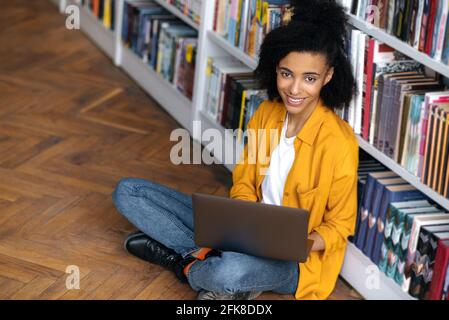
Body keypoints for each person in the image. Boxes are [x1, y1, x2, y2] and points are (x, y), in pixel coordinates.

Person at [112, 0, 359, 300]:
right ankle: (212, 262)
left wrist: (299, 244)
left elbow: (340, 224)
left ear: (328, 76)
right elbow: (243, 182)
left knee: (227, 272)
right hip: (245, 233)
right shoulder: (267, 115)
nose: (295, 89)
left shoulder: (339, 143)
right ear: (275, 69)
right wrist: (240, 229)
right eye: (286, 74)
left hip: (294, 262)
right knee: (128, 192)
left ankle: (182, 263)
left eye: (310, 78)